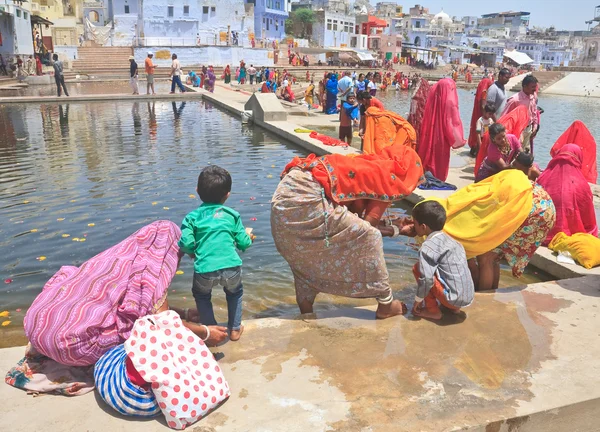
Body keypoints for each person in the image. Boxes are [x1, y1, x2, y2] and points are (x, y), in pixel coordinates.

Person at [9, 221, 229, 396]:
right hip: (70, 347)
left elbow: (143, 301)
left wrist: (184, 313)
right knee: (142, 330)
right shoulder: (156, 265)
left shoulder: (119, 256)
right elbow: (158, 322)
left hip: (36, 325)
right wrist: (205, 333)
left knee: (100, 299)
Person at [271, 144, 425, 319]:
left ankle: (306, 310)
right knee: (371, 237)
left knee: (308, 255)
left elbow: (351, 225)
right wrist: (397, 230)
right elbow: (367, 229)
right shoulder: (388, 178)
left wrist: (397, 227)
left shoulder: (367, 165)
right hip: (307, 198)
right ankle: (386, 305)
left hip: (284, 202)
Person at [421, 170, 555, 291]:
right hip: (543, 203)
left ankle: (482, 297)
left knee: (485, 257)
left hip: (530, 209)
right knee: (493, 256)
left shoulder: (452, 225)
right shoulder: (466, 198)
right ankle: (492, 292)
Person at [179, 166, 255, 342]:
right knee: (235, 293)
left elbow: (186, 243)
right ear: (227, 194)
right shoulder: (232, 215)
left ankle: (212, 331)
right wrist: (249, 237)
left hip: (205, 269)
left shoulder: (191, 218)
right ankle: (235, 329)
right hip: (231, 267)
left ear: (197, 191)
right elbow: (243, 242)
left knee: (202, 296)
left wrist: (192, 252)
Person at [409, 201, 474, 320]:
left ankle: (433, 311)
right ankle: (453, 309)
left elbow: (426, 279)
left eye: (414, 223)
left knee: (418, 269)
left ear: (423, 227)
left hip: (453, 299)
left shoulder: (427, 246)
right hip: (467, 297)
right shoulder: (454, 243)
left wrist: (417, 300)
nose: (413, 227)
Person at [537, 144, 597, 246]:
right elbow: (588, 216)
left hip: (542, 232)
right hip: (571, 234)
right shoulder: (582, 184)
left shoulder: (543, 177)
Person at [417, 78, 465, 182]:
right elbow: (452, 121)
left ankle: (429, 173)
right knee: (440, 155)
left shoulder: (435, 94)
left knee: (431, 152)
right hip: (442, 134)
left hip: (431, 130)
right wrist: (456, 138)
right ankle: (438, 176)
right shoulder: (449, 101)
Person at [474, 105, 530, 177]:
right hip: (488, 174)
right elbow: (503, 167)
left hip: (502, 172)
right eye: (498, 139)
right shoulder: (492, 149)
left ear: (505, 132)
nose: (503, 140)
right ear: (493, 139)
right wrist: (516, 165)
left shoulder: (512, 138)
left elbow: (521, 153)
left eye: (503, 136)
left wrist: (526, 159)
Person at [502, 75, 539, 152]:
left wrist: (535, 126)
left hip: (529, 129)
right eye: (532, 87)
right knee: (514, 153)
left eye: (535, 86)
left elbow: (534, 112)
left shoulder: (533, 96)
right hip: (517, 131)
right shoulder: (515, 100)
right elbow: (504, 117)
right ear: (525, 86)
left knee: (525, 153)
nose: (535, 89)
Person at [467, 75, 494, 155]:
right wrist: (486, 116)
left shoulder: (481, 88)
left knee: (476, 130)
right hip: (482, 115)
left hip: (477, 113)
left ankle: (473, 148)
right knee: (481, 133)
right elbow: (483, 105)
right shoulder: (484, 91)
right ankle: (478, 151)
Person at [407, 78, 431, 147]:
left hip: (417, 121)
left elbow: (413, 113)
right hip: (426, 121)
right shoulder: (428, 95)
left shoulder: (415, 96)